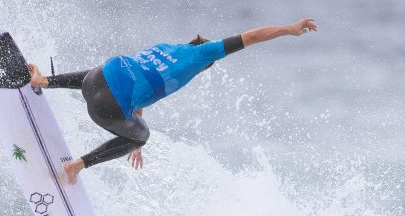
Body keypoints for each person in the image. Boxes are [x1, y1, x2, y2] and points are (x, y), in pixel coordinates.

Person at [28, 18, 318, 184]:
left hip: (93, 80)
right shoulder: (203, 54)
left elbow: (138, 82)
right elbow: (250, 37)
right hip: (104, 108)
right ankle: (77, 166)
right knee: (143, 135)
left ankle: (44, 81)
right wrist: (289, 30)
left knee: (115, 78)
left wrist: (132, 128)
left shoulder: (167, 48)